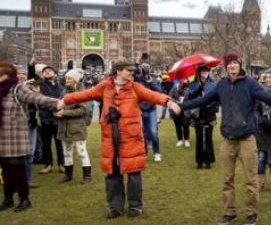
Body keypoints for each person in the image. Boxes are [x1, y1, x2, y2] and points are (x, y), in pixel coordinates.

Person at [58, 59, 181, 218]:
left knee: (133, 172)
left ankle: (135, 206)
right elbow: (84, 94)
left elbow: (153, 95)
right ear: (118, 71)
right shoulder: (105, 86)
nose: (131, 73)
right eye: (127, 70)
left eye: (131, 70)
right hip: (110, 137)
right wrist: (64, 100)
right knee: (112, 172)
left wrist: (169, 102)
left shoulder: (136, 87)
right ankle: (115, 207)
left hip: (131, 137)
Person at [182, 52, 271, 225]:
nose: (232, 66)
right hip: (228, 140)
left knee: (251, 179)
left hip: (247, 139)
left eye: (235, 63)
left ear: (240, 65)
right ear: (225, 66)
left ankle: (251, 213)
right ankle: (229, 212)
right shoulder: (221, 85)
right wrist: (181, 105)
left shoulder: (250, 83)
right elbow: (202, 100)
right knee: (227, 179)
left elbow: (270, 99)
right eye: (229, 63)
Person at [0, 62, 61, 212]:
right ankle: (8, 199)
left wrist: (58, 102)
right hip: (1, 137)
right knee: (6, 171)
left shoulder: (18, 89)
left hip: (15, 137)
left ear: (5, 75)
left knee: (17, 171)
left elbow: (37, 98)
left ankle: (24, 199)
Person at [55, 69, 92, 184]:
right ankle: (68, 175)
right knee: (67, 151)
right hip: (64, 126)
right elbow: (58, 105)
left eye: (69, 78)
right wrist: (57, 112)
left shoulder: (82, 93)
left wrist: (65, 113)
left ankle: (87, 176)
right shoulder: (63, 92)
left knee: (81, 151)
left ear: (75, 80)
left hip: (77, 127)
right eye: (66, 78)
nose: (67, 80)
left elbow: (83, 110)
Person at [185, 66, 219, 169]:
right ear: (199, 73)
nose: (204, 73)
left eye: (206, 71)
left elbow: (217, 99)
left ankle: (208, 160)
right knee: (199, 138)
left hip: (209, 114)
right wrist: (198, 91)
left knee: (208, 138)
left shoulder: (213, 84)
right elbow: (189, 99)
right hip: (198, 114)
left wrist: (211, 106)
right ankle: (199, 161)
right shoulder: (193, 85)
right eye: (202, 71)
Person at [36, 64, 66, 174]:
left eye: (50, 70)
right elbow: (41, 101)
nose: (47, 72)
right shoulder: (40, 85)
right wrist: (54, 110)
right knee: (45, 143)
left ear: (55, 74)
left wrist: (61, 111)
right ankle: (48, 165)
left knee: (59, 143)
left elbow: (64, 101)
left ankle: (61, 164)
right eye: (45, 71)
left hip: (58, 119)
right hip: (45, 119)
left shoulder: (61, 87)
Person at [134, 53, 164, 162]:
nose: (145, 68)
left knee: (153, 131)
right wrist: (137, 61)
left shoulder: (154, 80)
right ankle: (144, 152)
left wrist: (151, 83)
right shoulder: (137, 78)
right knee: (142, 133)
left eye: (147, 66)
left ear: (150, 68)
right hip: (140, 108)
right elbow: (132, 73)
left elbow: (160, 92)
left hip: (151, 108)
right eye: (143, 66)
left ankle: (157, 152)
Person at [168, 81, 190, 148]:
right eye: (181, 88)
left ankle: (186, 140)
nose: (182, 89)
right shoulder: (173, 89)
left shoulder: (186, 90)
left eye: (183, 88)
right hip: (175, 110)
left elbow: (190, 99)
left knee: (186, 124)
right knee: (177, 126)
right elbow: (169, 98)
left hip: (185, 110)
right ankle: (180, 140)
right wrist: (176, 101)